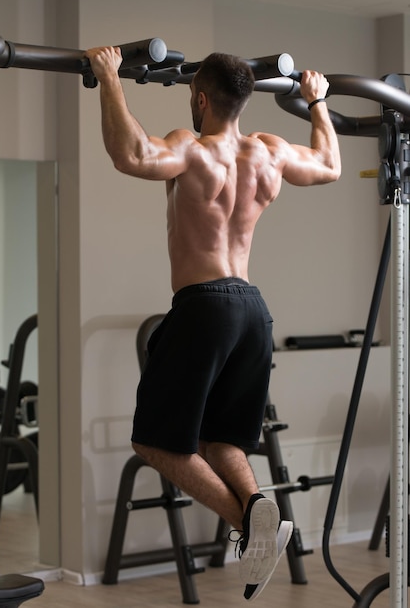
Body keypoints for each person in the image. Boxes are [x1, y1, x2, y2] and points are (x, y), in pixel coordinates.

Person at [85, 47, 341, 600]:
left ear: (200, 99)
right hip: (253, 310)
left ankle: (250, 524)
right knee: (222, 443)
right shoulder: (268, 152)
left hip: (203, 307)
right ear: (245, 100)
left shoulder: (193, 148)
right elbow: (329, 166)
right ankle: (258, 514)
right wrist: (317, 104)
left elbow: (131, 153)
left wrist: (110, 78)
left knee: (155, 443)